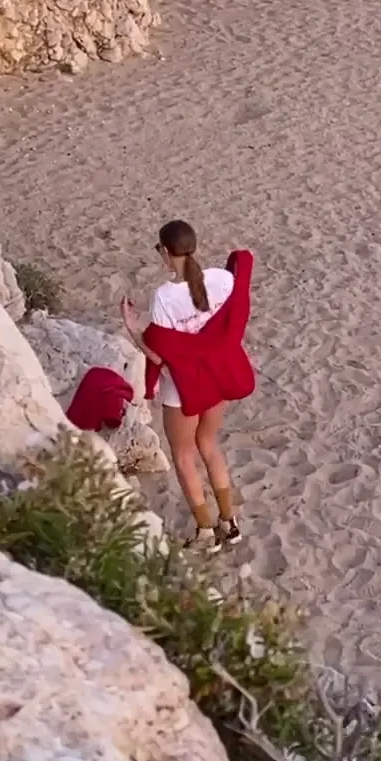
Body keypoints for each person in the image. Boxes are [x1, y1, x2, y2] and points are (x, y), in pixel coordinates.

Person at [120, 219, 255, 550]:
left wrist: (132, 328)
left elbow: (162, 357)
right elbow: (232, 320)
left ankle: (206, 533)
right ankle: (230, 523)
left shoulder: (164, 297)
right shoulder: (223, 280)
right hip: (217, 379)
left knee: (183, 455)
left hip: (182, 389)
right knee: (209, 445)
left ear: (165, 253)